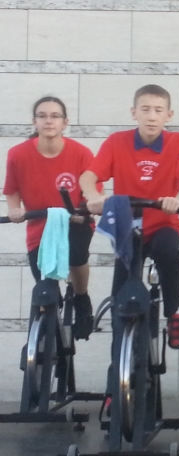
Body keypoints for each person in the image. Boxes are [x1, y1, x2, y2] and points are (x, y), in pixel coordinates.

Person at [79, 84, 179, 350]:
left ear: (169, 115)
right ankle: (117, 370)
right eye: (145, 109)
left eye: (158, 110)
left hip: (163, 223)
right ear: (134, 113)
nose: (151, 116)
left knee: (168, 252)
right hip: (128, 226)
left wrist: (178, 199)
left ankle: (174, 312)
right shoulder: (116, 142)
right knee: (120, 295)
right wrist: (92, 196)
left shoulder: (178, 142)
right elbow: (88, 177)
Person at [4, 96, 95, 339]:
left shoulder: (81, 153)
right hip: (40, 225)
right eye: (42, 116)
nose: (48, 121)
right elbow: (11, 189)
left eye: (55, 116)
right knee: (44, 284)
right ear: (34, 121)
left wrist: (83, 210)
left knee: (77, 255)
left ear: (65, 122)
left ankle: (82, 298)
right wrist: (14, 209)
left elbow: (91, 190)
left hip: (75, 221)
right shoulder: (18, 155)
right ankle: (45, 338)